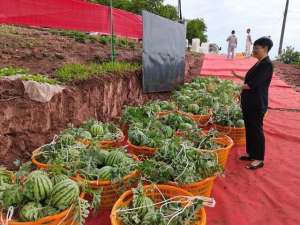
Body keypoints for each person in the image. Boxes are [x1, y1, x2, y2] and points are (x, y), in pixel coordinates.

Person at [232, 37, 274, 170]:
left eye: (256, 48)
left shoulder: (267, 64)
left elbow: (252, 84)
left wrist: (233, 86)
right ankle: (251, 154)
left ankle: (259, 159)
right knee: (249, 128)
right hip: (249, 102)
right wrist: (238, 79)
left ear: (265, 48)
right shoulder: (259, 63)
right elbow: (249, 78)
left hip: (257, 103)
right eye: (254, 48)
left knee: (256, 130)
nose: (254, 50)